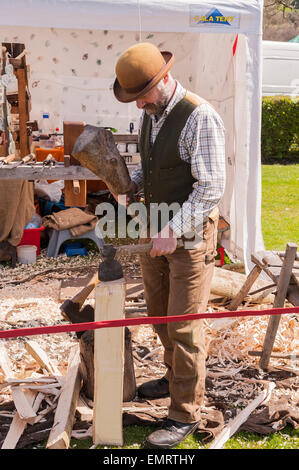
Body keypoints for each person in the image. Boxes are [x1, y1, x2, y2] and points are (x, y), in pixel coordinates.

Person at [113, 42, 226, 449]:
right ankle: (173, 376)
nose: (138, 104)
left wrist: (174, 229)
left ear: (163, 80)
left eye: (141, 95)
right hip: (157, 230)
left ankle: (184, 413)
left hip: (189, 237)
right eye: (132, 97)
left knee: (184, 325)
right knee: (159, 316)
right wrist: (133, 184)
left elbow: (211, 186)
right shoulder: (151, 115)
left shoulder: (200, 117)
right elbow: (152, 160)